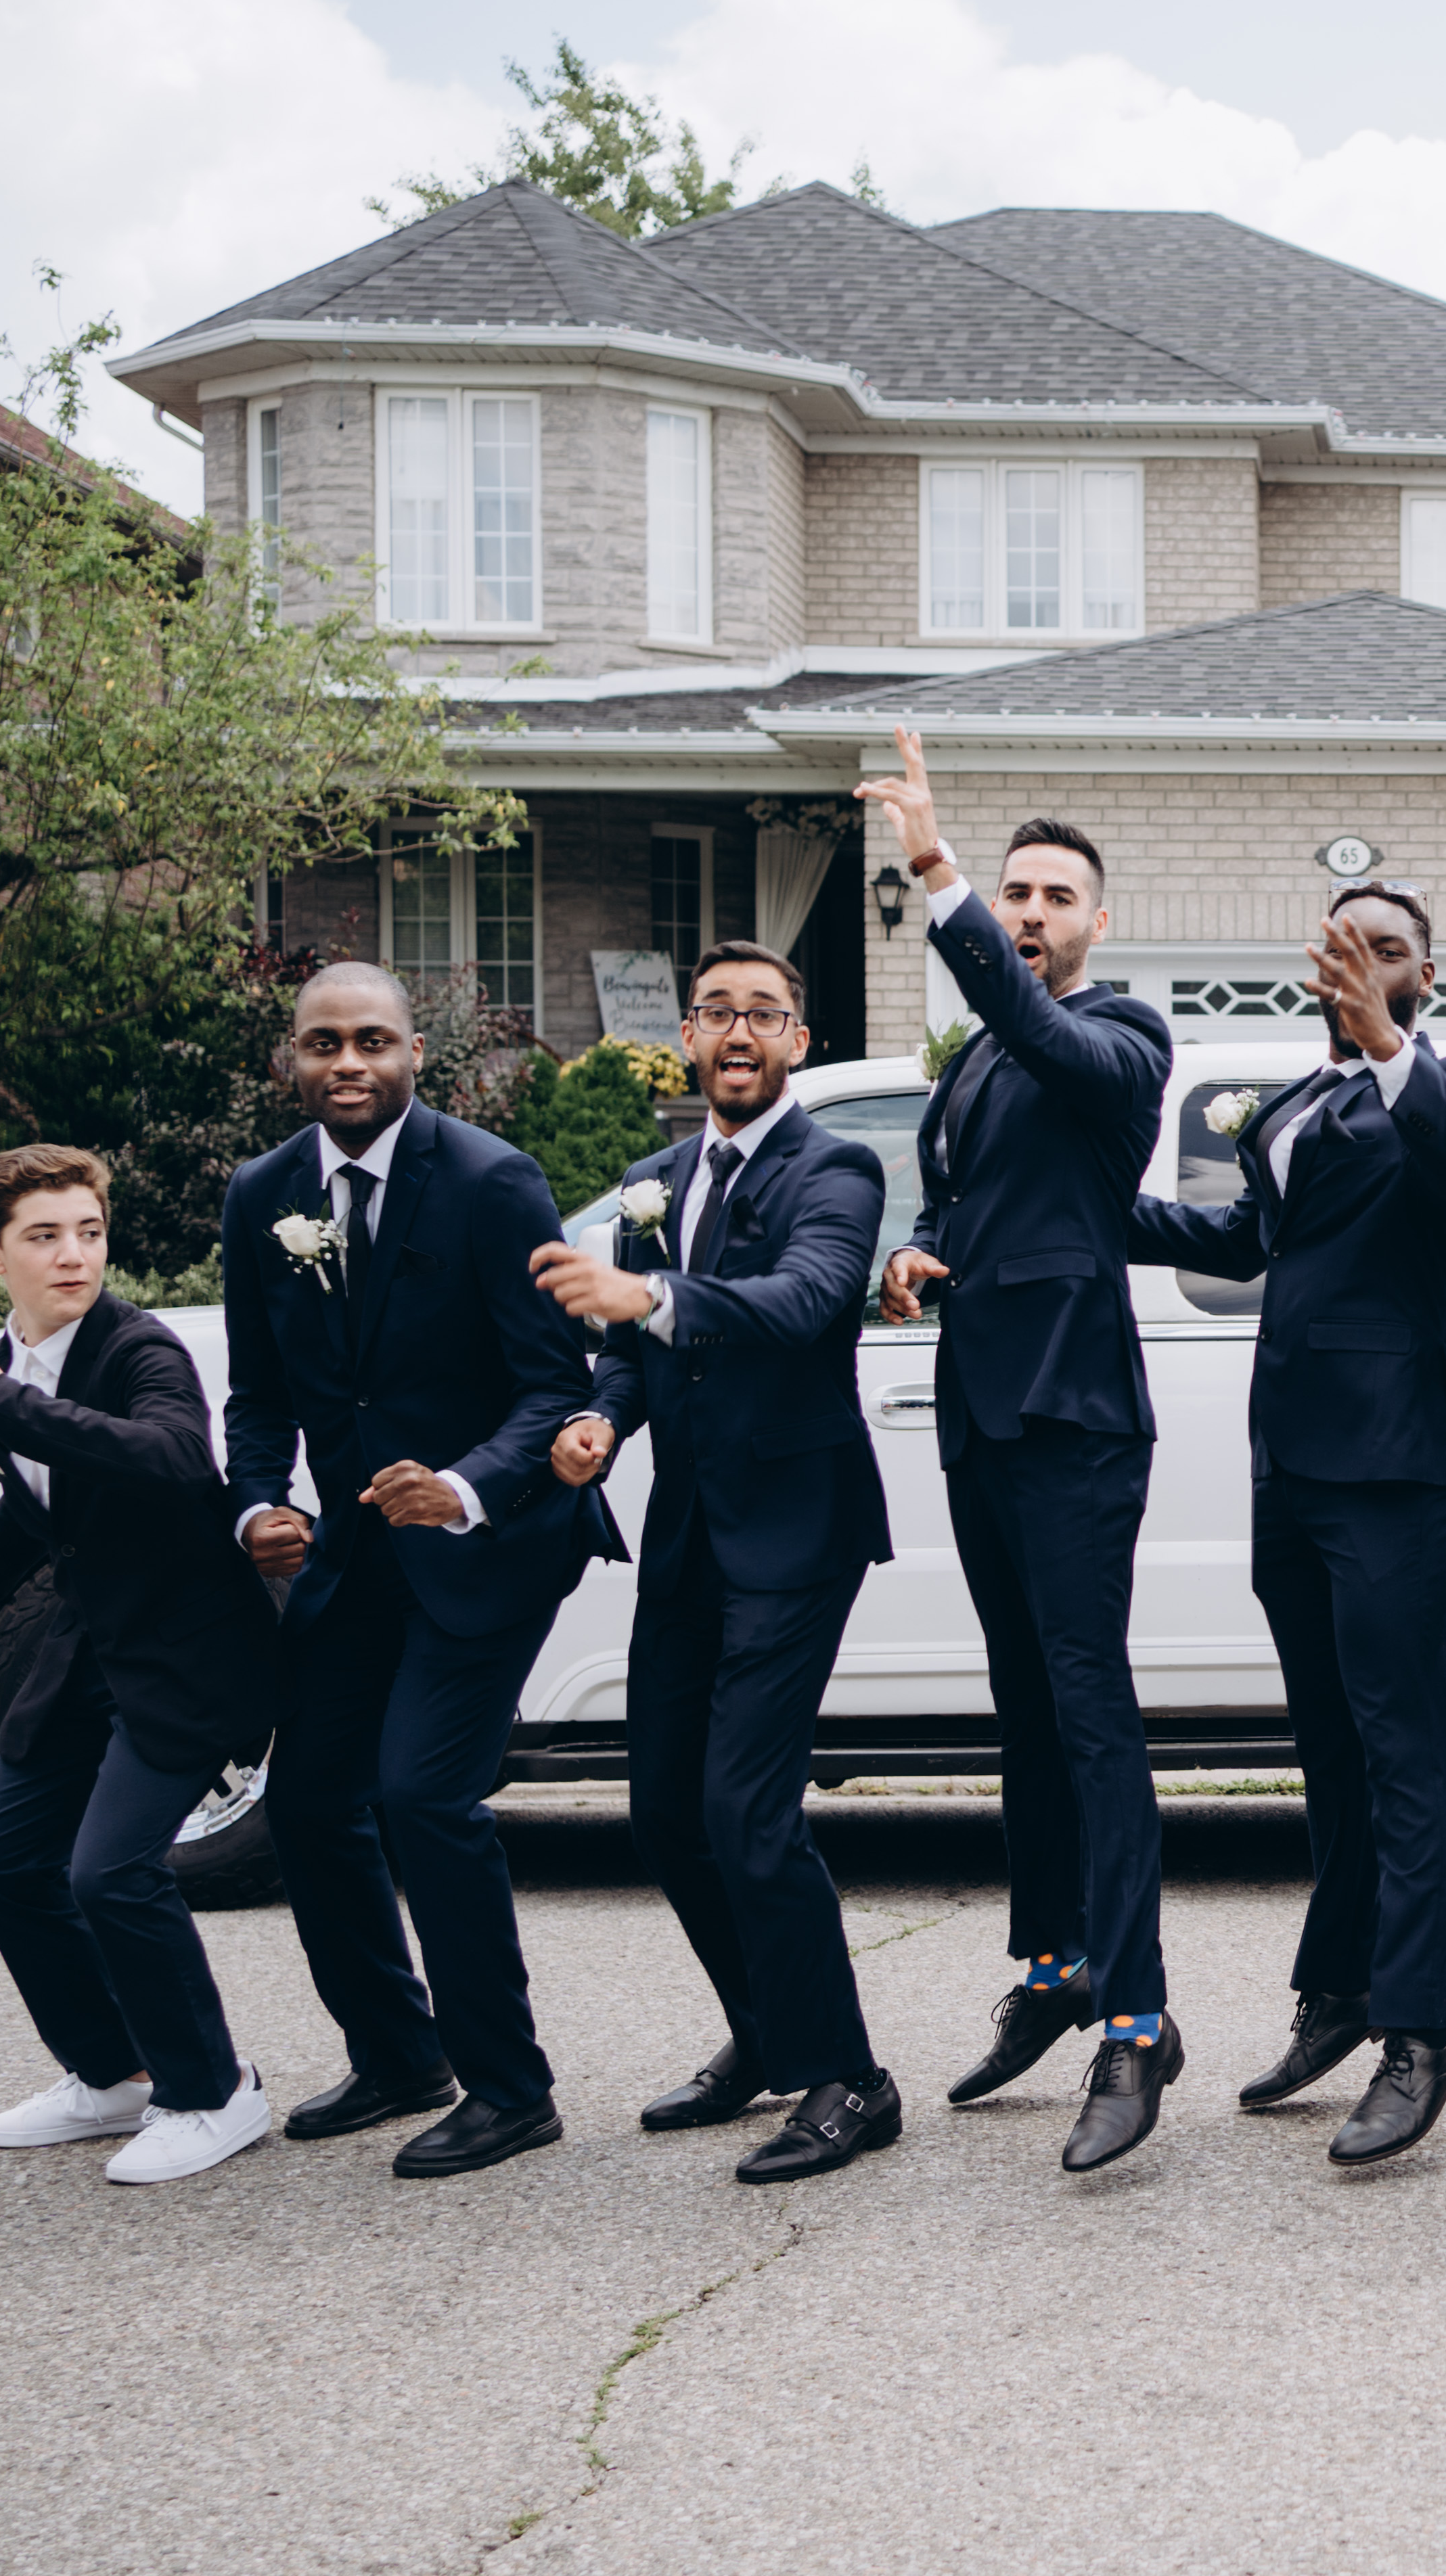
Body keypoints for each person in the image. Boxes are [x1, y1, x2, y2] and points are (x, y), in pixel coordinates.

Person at [222, 963, 621, 2179]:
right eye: (323, 1044)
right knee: (306, 1802)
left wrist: (462, 1486)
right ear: (292, 1059)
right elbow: (258, 1393)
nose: (348, 1063)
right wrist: (256, 1505)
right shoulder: (262, 1195)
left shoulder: (494, 1181)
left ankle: (511, 2089)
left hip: (493, 1544)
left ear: (412, 1055)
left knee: (425, 1798)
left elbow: (553, 1383)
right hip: (355, 1552)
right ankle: (400, 2056)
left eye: (372, 1042)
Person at [1133, 884, 1446, 2167]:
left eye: (1389, 949)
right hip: (1288, 1463)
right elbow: (1248, 1242)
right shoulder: (1290, 1107)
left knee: (1406, 1752)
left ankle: (1424, 2030)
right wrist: (1086, 1208)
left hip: (1395, 1465)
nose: (1364, 964)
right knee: (1333, 1751)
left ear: (1424, 978)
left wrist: (1388, 1044)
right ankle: (1343, 1991)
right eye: (1346, 946)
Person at [860, 731, 1181, 2174]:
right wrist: (918, 1254)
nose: (1034, 911)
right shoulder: (977, 1062)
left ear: (1098, 922)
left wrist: (936, 871)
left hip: (1075, 1420)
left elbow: (1039, 1032)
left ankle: (1138, 2021)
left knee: (1091, 1712)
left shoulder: (1119, 1040)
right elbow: (959, 1199)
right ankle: (1055, 1968)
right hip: (979, 1414)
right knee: (1027, 1715)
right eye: (1016, 891)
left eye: (1056, 896)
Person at [538, 940, 900, 2184]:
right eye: (717, 1013)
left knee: (747, 1812)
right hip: (689, 1529)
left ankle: (850, 2079)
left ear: (798, 1039)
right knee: (663, 1813)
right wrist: (600, 1421)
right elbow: (629, 1361)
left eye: (764, 1013)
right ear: (686, 1037)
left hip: (798, 1529)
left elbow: (804, 1302)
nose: (739, 1033)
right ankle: (767, 2029)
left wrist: (649, 1301)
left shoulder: (836, 1168)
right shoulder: (655, 1180)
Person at [0, 1146, 284, 2184]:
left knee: (112, 1873)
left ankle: (214, 2091)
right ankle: (113, 2074)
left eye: (89, 1233)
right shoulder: (8, 1362)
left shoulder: (139, 1349)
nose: (73, 1256)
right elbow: (26, 1516)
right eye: (45, 1237)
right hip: (90, 1647)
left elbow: (173, 1458)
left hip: (187, 1653)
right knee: (0, 1863)